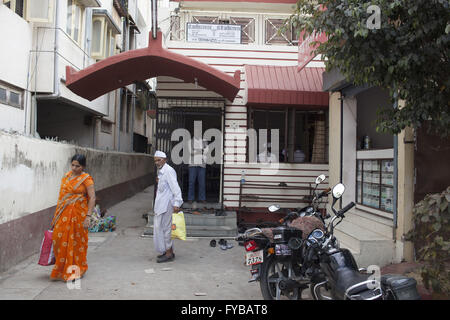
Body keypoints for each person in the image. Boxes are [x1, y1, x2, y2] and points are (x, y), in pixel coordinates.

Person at [50, 154, 96, 281]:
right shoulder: (66, 177)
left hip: (78, 215)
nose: (74, 168)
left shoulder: (86, 179)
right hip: (63, 213)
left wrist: (88, 216)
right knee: (58, 238)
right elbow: (62, 196)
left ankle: (76, 270)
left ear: (83, 166)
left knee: (76, 242)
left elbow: (92, 198)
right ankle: (62, 268)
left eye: (78, 166)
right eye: (73, 165)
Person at [153, 151, 183, 263]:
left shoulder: (169, 170)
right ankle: (167, 251)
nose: (157, 162)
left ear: (165, 159)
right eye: (155, 160)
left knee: (166, 230)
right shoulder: (161, 170)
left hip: (167, 205)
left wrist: (177, 203)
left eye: (159, 160)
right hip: (160, 205)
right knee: (160, 229)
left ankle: (169, 254)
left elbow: (176, 188)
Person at [188, 137, 208, 204]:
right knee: (191, 182)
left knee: (202, 183)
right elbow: (190, 151)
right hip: (192, 164)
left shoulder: (204, 141)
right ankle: (190, 198)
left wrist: (197, 151)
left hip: (202, 165)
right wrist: (200, 151)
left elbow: (207, 151)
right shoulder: (190, 141)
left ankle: (202, 198)